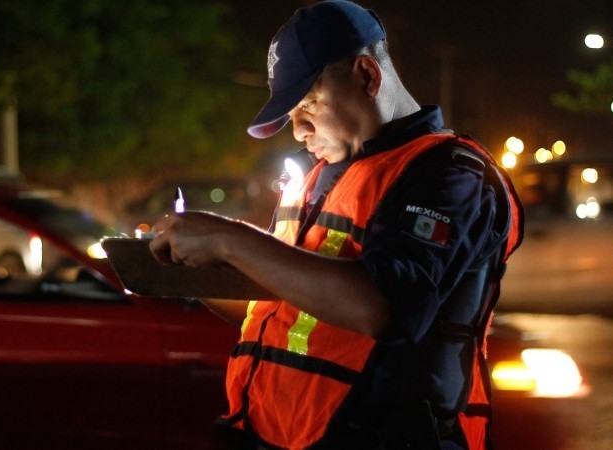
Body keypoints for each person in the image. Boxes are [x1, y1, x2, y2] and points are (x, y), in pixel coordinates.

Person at [149, 1, 523, 449]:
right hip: (272, 435)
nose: (299, 131)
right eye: (291, 116)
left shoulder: (450, 175)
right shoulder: (320, 176)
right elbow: (277, 304)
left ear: (367, 76)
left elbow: (382, 306)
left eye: (307, 105)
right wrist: (183, 268)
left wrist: (229, 239)